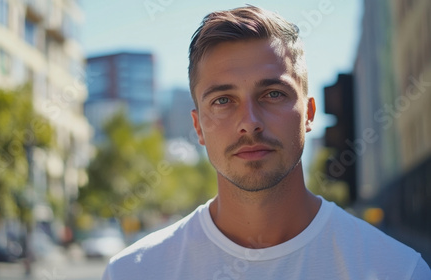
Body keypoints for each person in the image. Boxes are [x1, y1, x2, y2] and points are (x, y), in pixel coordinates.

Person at [102, 5, 431, 279]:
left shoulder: (398, 271)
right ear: (198, 126)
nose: (250, 123)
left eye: (272, 94)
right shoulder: (134, 272)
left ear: (309, 114)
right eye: (222, 100)